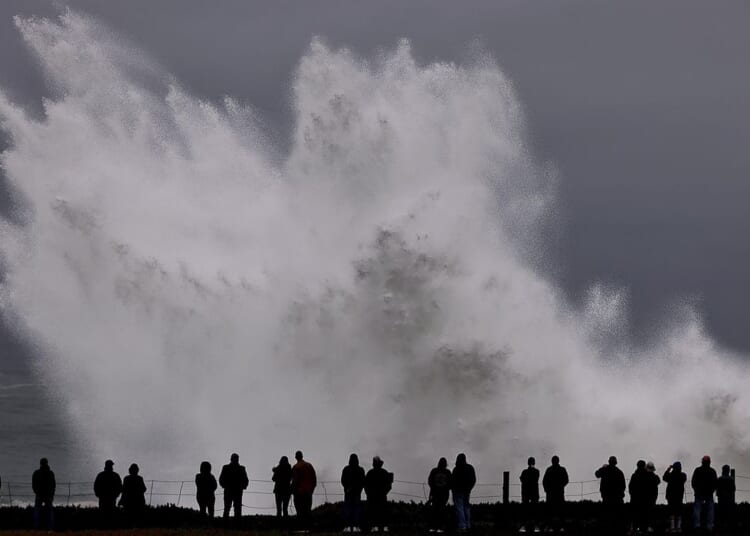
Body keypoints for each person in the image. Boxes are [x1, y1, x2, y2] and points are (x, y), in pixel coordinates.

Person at [595, 456, 625, 534]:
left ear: (609, 462)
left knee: (606, 513)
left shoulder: (605, 470)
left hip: (606, 496)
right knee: (615, 514)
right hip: (617, 497)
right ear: (616, 463)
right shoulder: (619, 472)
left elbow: (597, 474)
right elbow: (623, 485)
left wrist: (602, 467)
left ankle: (606, 529)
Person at [365, 456, 393, 532]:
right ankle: (380, 526)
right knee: (379, 512)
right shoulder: (383, 472)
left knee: (377, 511)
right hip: (378, 496)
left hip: (377, 496)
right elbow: (389, 486)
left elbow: (366, 485)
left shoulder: (371, 473)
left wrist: (369, 494)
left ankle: (378, 526)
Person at [691, 455, 717, 532]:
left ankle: (697, 525)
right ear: (709, 462)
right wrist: (712, 490)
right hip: (709, 493)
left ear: (702, 461)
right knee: (710, 510)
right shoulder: (712, 471)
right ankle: (709, 526)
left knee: (697, 509)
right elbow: (715, 483)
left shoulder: (697, 470)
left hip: (699, 493)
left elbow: (693, 482)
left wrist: (696, 490)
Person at [291, 450, 317, 529]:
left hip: (299, 492)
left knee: (300, 511)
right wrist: (312, 489)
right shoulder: (309, 465)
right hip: (308, 492)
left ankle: (301, 528)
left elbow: (295, 480)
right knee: (308, 510)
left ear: (296, 457)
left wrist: (293, 490)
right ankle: (309, 527)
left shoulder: (296, 467)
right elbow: (314, 478)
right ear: (302, 456)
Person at [219, 453, 249, 519]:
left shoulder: (226, 468)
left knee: (231, 508)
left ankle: (227, 524)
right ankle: (235, 524)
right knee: (231, 508)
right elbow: (246, 480)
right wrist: (243, 486)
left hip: (231, 490)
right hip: (235, 490)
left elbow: (221, 479)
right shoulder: (241, 468)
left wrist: (224, 486)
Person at [542, 455, 568, 532]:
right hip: (559, 493)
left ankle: (550, 526)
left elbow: (544, 481)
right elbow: (566, 480)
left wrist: (546, 489)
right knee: (560, 510)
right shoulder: (562, 469)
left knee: (551, 510)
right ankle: (561, 526)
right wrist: (561, 486)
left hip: (551, 494)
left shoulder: (549, 470)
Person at [342, 453, 366, 532]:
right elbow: (363, 481)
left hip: (348, 493)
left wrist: (347, 488)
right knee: (357, 509)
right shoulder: (360, 469)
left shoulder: (346, 469)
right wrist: (359, 489)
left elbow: (343, 480)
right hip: (357, 493)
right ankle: (357, 526)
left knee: (348, 509)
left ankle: (347, 526)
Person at [452, 453, 476, 532]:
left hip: (458, 491)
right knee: (466, 507)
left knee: (460, 508)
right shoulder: (470, 468)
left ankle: (462, 526)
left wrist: (453, 489)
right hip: (467, 491)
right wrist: (470, 488)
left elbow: (453, 480)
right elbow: (473, 479)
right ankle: (468, 525)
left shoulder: (456, 469)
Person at [427, 457, 452, 533]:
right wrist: (446, 488)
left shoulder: (434, 471)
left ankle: (433, 527)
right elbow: (450, 483)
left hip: (435, 493)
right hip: (444, 494)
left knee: (434, 510)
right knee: (441, 510)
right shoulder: (448, 472)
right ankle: (440, 527)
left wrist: (433, 490)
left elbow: (430, 481)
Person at [32, 457, 56, 530]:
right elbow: (53, 485)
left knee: (37, 511)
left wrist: (36, 492)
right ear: (47, 463)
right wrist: (52, 494)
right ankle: (50, 527)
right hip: (48, 495)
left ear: (40, 464)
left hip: (39, 494)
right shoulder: (51, 473)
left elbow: (33, 484)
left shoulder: (36, 473)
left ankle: (36, 527)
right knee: (49, 512)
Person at [663, 461, 686, 533]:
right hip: (679, 496)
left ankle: (672, 528)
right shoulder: (683, 475)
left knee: (671, 511)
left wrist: (669, 469)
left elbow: (664, 477)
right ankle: (679, 528)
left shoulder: (671, 475)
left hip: (671, 496)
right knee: (679, 511)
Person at [519, 457, 540, 533]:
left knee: (527, 510)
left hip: (527, 493)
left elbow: (522, 479)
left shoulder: (525, 472)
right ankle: (533, 526)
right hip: (532, 493)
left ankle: (527, 525)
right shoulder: (536, 471)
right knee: (532, 510)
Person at [716, 464, 736, 531]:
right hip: (729, 499)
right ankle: (729, 527)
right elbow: (733, 489)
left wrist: (719, 495)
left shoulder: (719, 479)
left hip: (721, 499)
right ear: (728, 471)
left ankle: (721, 526)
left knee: (721, 514)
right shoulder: (731, 479)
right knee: (729, 514)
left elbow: (717, 490)